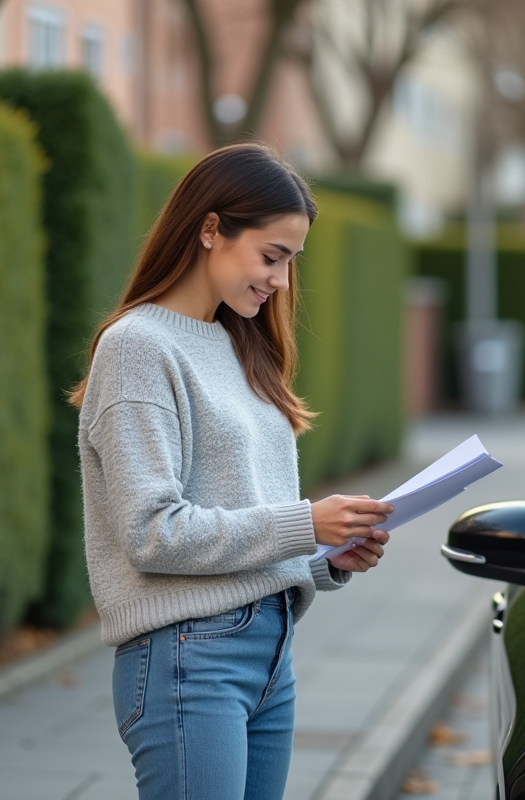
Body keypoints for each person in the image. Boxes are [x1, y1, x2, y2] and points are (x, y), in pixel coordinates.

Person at [70, 142, 394, 800]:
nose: (280, 280)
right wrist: (306, 522)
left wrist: (326, 557)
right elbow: (154, 533)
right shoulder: (139, 347)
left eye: (290, 262)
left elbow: (240, 525)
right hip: (190, 658)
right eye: (271, 256)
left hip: (270, 654)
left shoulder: (240, 344)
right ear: (211, 229)